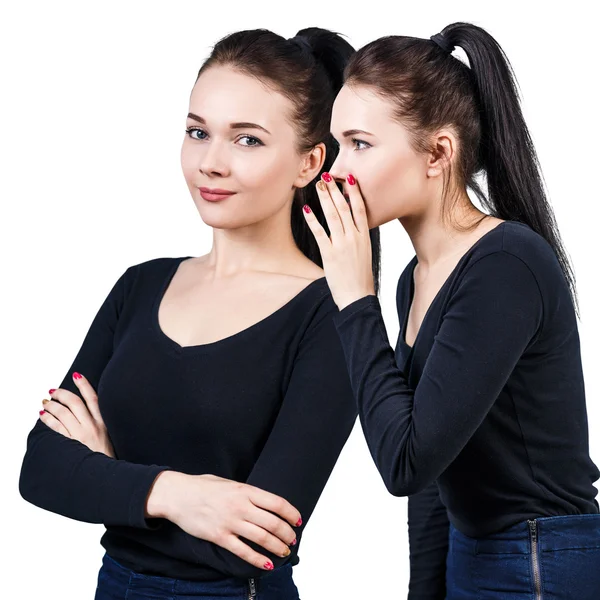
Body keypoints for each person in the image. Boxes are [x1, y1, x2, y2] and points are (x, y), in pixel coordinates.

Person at [19, 27, 381, 600]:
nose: (210, 163)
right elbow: (40, 469)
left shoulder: (332, 314)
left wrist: (107, 476)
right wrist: (177, 495)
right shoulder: (139, 287)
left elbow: (259, 542)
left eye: (247, 141)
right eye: (197, 132)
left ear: (309, 163)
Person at [302, 21, 600, 599]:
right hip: (477, 552)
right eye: (337, 145)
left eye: (360, 144)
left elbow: (405, 462)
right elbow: (431, 480)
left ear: (439, 152)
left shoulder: (505, 265)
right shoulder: (416, 280)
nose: (335, 171)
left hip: (539, 560)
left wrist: (353, 298)